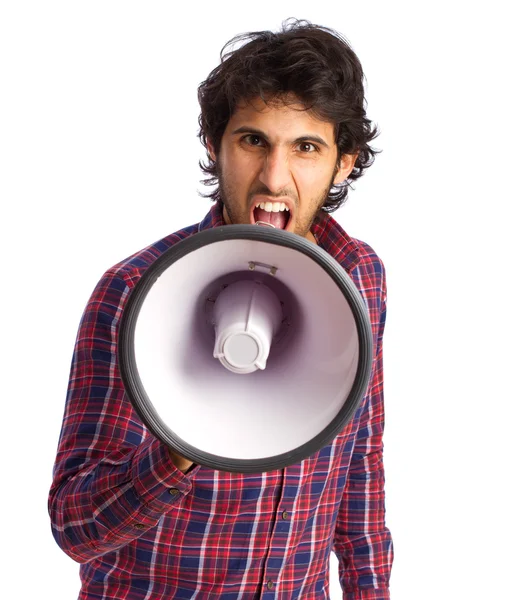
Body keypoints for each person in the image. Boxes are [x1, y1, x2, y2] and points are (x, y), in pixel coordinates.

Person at [49, 18, 394, 599]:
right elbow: (76, 527)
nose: (274, 177)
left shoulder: (360, 277)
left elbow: (360, 467)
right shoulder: (134, 291)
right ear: (215, 145)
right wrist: (181, 449)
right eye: (252, 140)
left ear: (344, 161)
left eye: (306, 148)